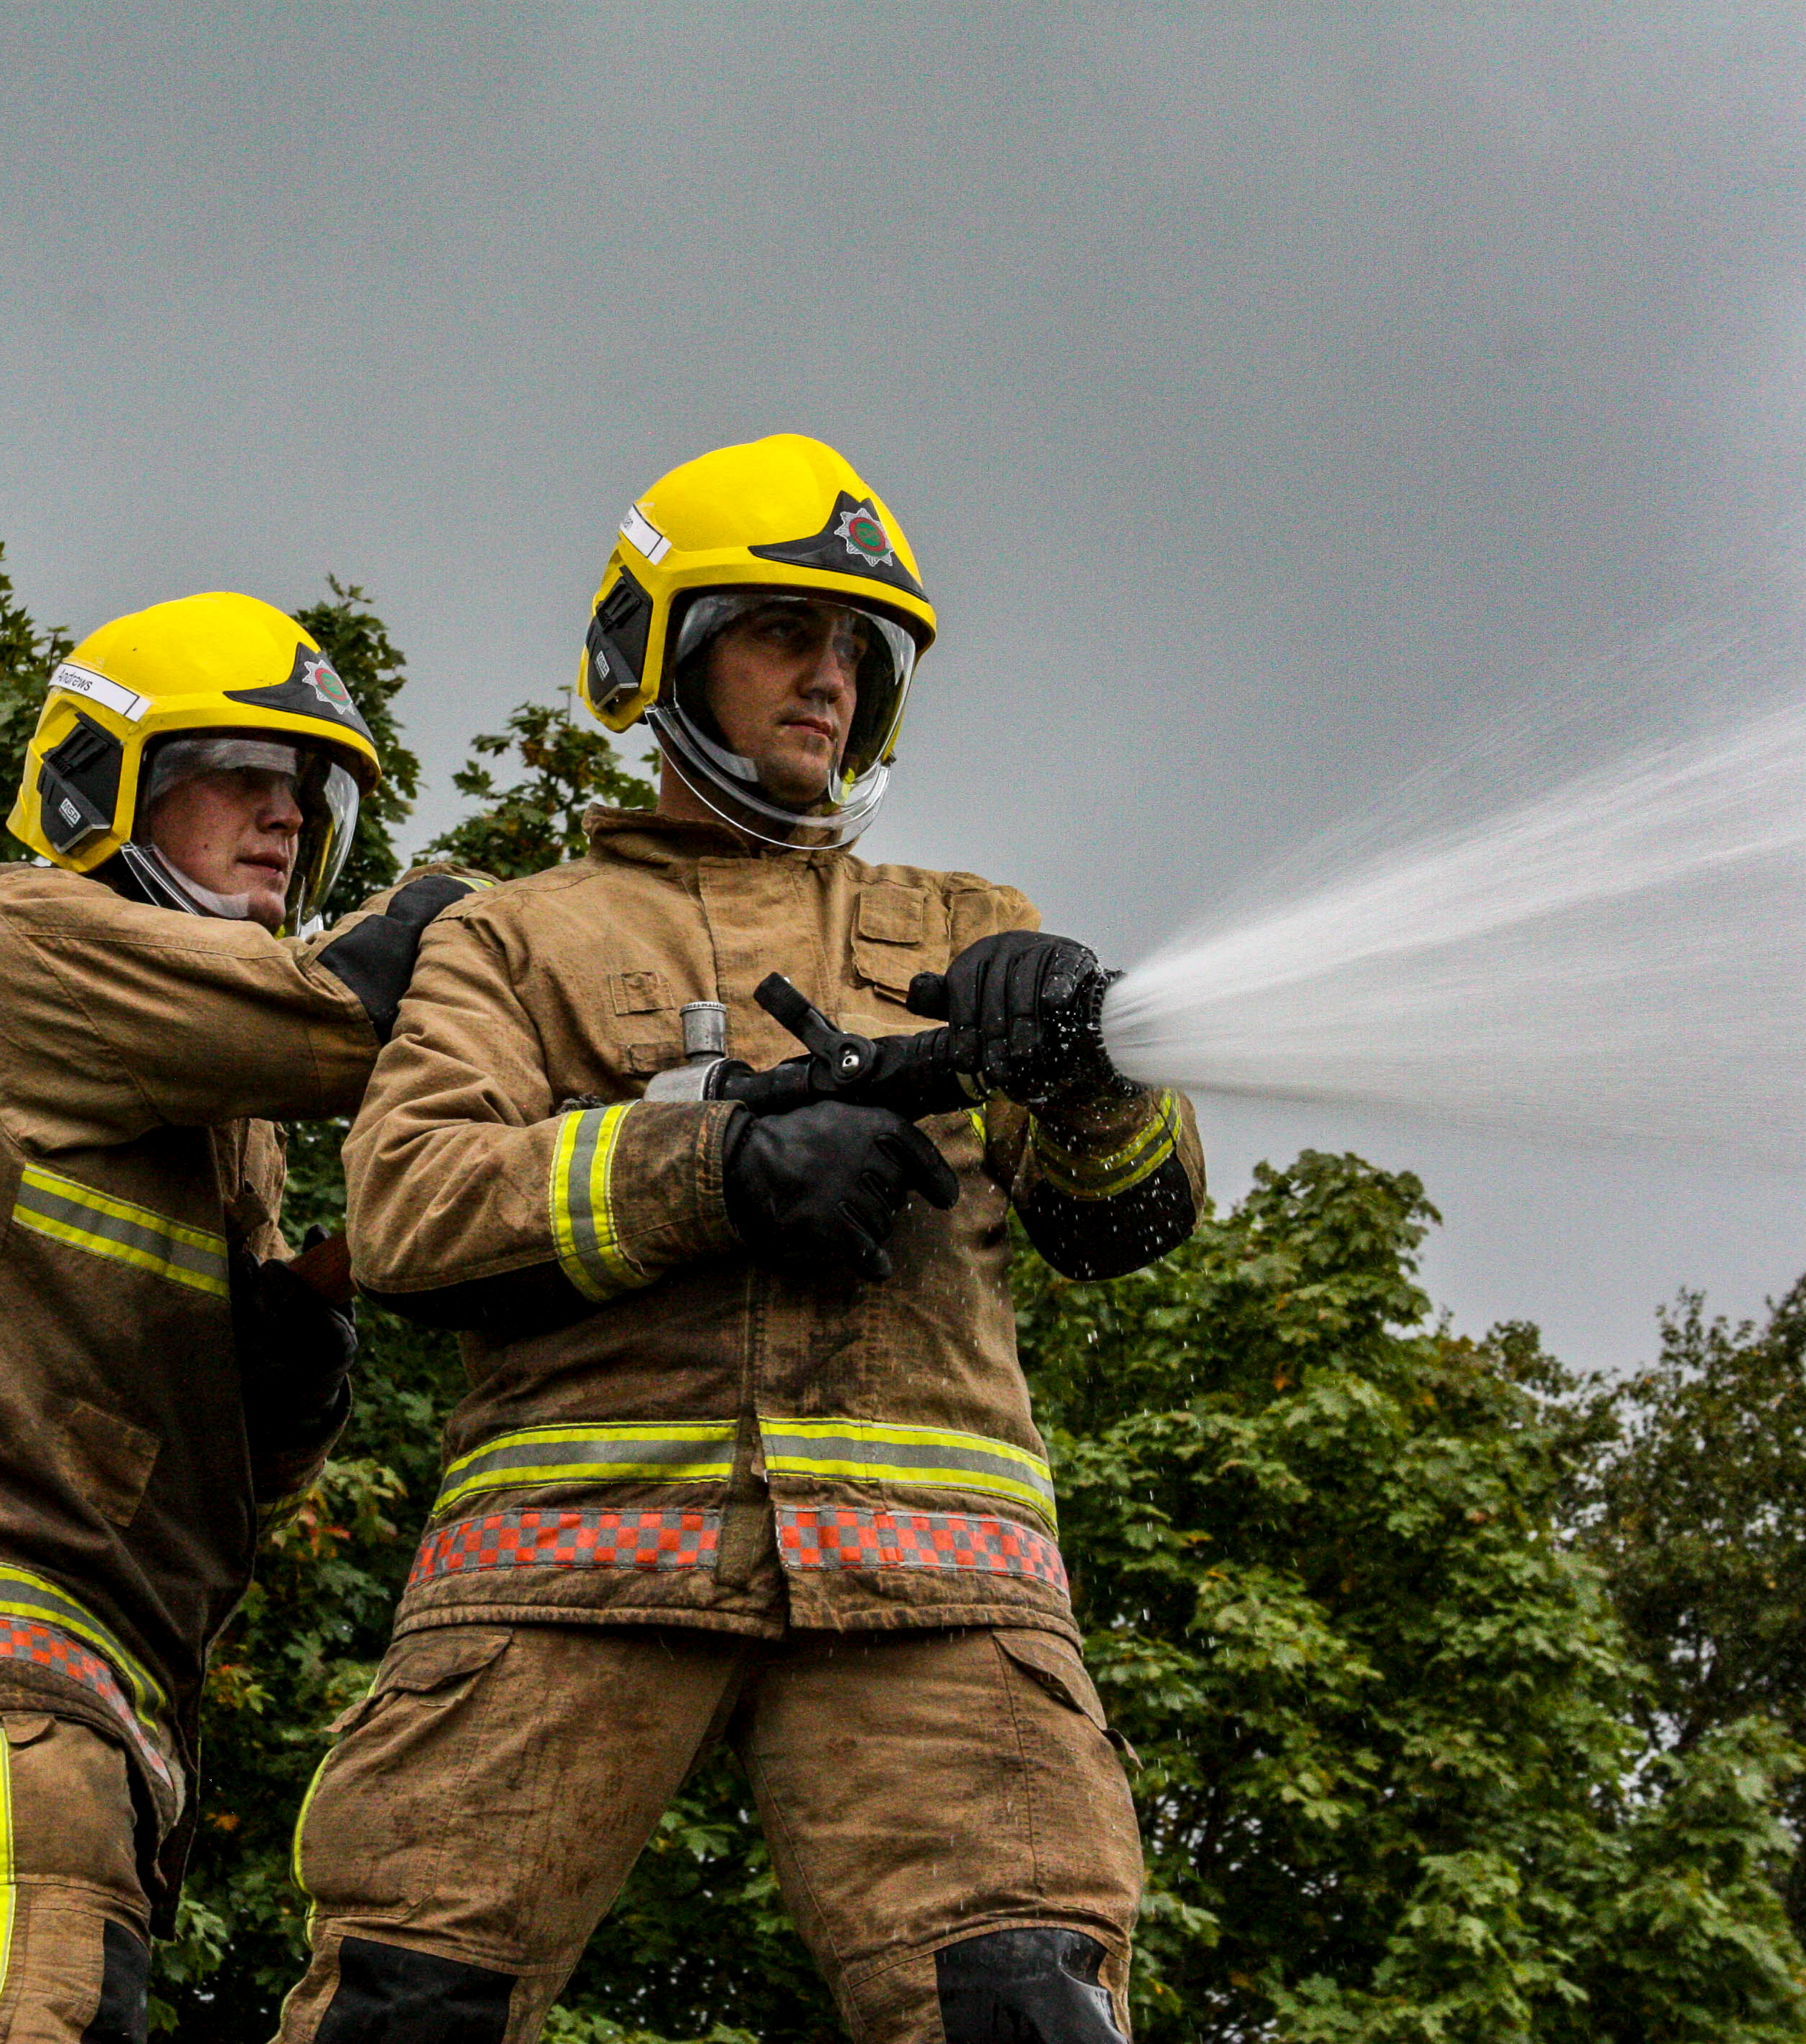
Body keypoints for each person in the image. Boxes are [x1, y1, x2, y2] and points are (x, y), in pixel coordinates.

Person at [278, 433, 1208, 2044]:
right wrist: (717, 1175)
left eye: (860, 648)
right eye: (788, 632)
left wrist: (1088, 1065)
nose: (831, 679)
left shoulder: (975, 922)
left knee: (1025, 2014)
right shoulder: (521, 931)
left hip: (937, 1593)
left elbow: (1133, 1219)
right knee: (406, 2010)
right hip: (564, 1567)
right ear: (658, 655)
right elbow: (408, 1204)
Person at [0, 591, 471, 2043]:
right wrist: (534, 937)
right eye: (238, 775)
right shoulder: (22, 937)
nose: (283, 819)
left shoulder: (221, 1117)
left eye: (306, 794)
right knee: (31, 1962)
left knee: (18, 1969)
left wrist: (286, 1387)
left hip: (99, 1633)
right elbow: (352, 1007)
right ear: (105, 783)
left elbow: (229, 1457)